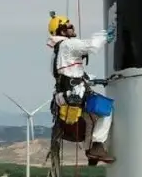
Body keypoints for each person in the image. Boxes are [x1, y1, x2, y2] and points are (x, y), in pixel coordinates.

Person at [47, 12, 115, 163]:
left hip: (63, 96)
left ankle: (91, 149)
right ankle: (96, 147)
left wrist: (93, 80)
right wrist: (107, 35)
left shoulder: (57, 51)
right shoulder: (68, 44)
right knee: (106, 110)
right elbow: (91, 45)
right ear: (62, 30)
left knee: (90, 117)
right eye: (69, 26)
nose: (73, 27)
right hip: (74, 94)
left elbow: (69, 73)